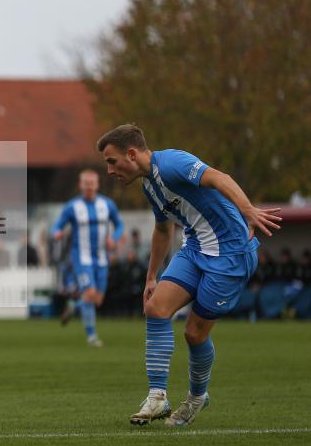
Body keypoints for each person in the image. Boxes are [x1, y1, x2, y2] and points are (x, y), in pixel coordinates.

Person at [98, 124, 281, 427]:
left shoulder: (171, 163)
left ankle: (197, 398)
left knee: (194, 334)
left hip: (230, 253)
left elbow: (219, 177)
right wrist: (151, 276)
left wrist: (247, 210)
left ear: (131, 154)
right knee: (155, 307)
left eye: (111, 161)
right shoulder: (149, 185)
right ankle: (157, 398)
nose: (109, 170)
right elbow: (162, 228)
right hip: (195, 247)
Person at [50, 170, 124, 347]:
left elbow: (119, 225)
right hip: (81, 258)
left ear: (97, 185)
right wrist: (57, 233)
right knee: (89, 294)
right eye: (86, 183)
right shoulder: (72, 207)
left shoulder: (107, 205)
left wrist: (113, 239)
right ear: (80, 185)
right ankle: (92, 337)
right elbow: (57, 226)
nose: (89, 186)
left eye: (92, 183)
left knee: (97, 300)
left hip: (101, 258)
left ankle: (74, 305)